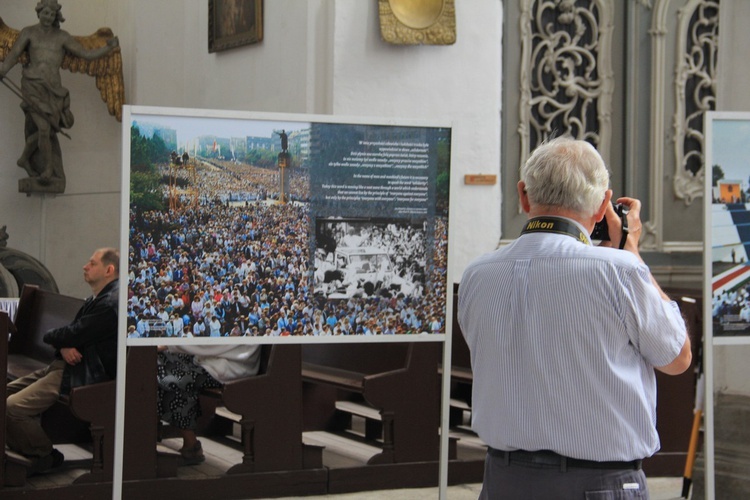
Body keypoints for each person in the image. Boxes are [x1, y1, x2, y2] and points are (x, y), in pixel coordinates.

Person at [457, 137, 692, 499]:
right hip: (597, 483)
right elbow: (678, 358)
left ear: (523, 196)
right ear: (602, 206)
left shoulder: (478, 274)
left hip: (505, 479)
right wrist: (631, 251)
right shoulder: (621, 272)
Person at [5, 247, 119, 473]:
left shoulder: (109, 304)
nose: (85, 267)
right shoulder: (97, 298)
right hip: (66, 366)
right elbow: (71, 333)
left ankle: (44, 454)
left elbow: (66, 333)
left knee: (12, 407)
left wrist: (62, 340)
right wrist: (65, 344)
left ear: (109, 269)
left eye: (92, 263)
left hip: (82, 374)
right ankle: (21, 449)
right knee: (4, 395)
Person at [0, 0, 119, 181]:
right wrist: (3, 70)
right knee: (43, 127)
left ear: (56, 16)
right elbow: (14, 54)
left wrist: (108, 48)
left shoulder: (62, 37)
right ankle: (48, 170)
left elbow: (85, 55)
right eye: (45, 13)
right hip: (32, 85)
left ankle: (24, 159)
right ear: (38, 13)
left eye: (51, 14)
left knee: (46, 130)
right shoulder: (28, 33)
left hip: (54, 90)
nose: (47, 17)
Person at [156, 343, 261, 464]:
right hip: (211, 358)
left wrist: (171, 345)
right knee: (158, 360)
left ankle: (191, 445)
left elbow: (212, 344)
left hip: (228, 366)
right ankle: (154, 433)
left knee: (172, 380)